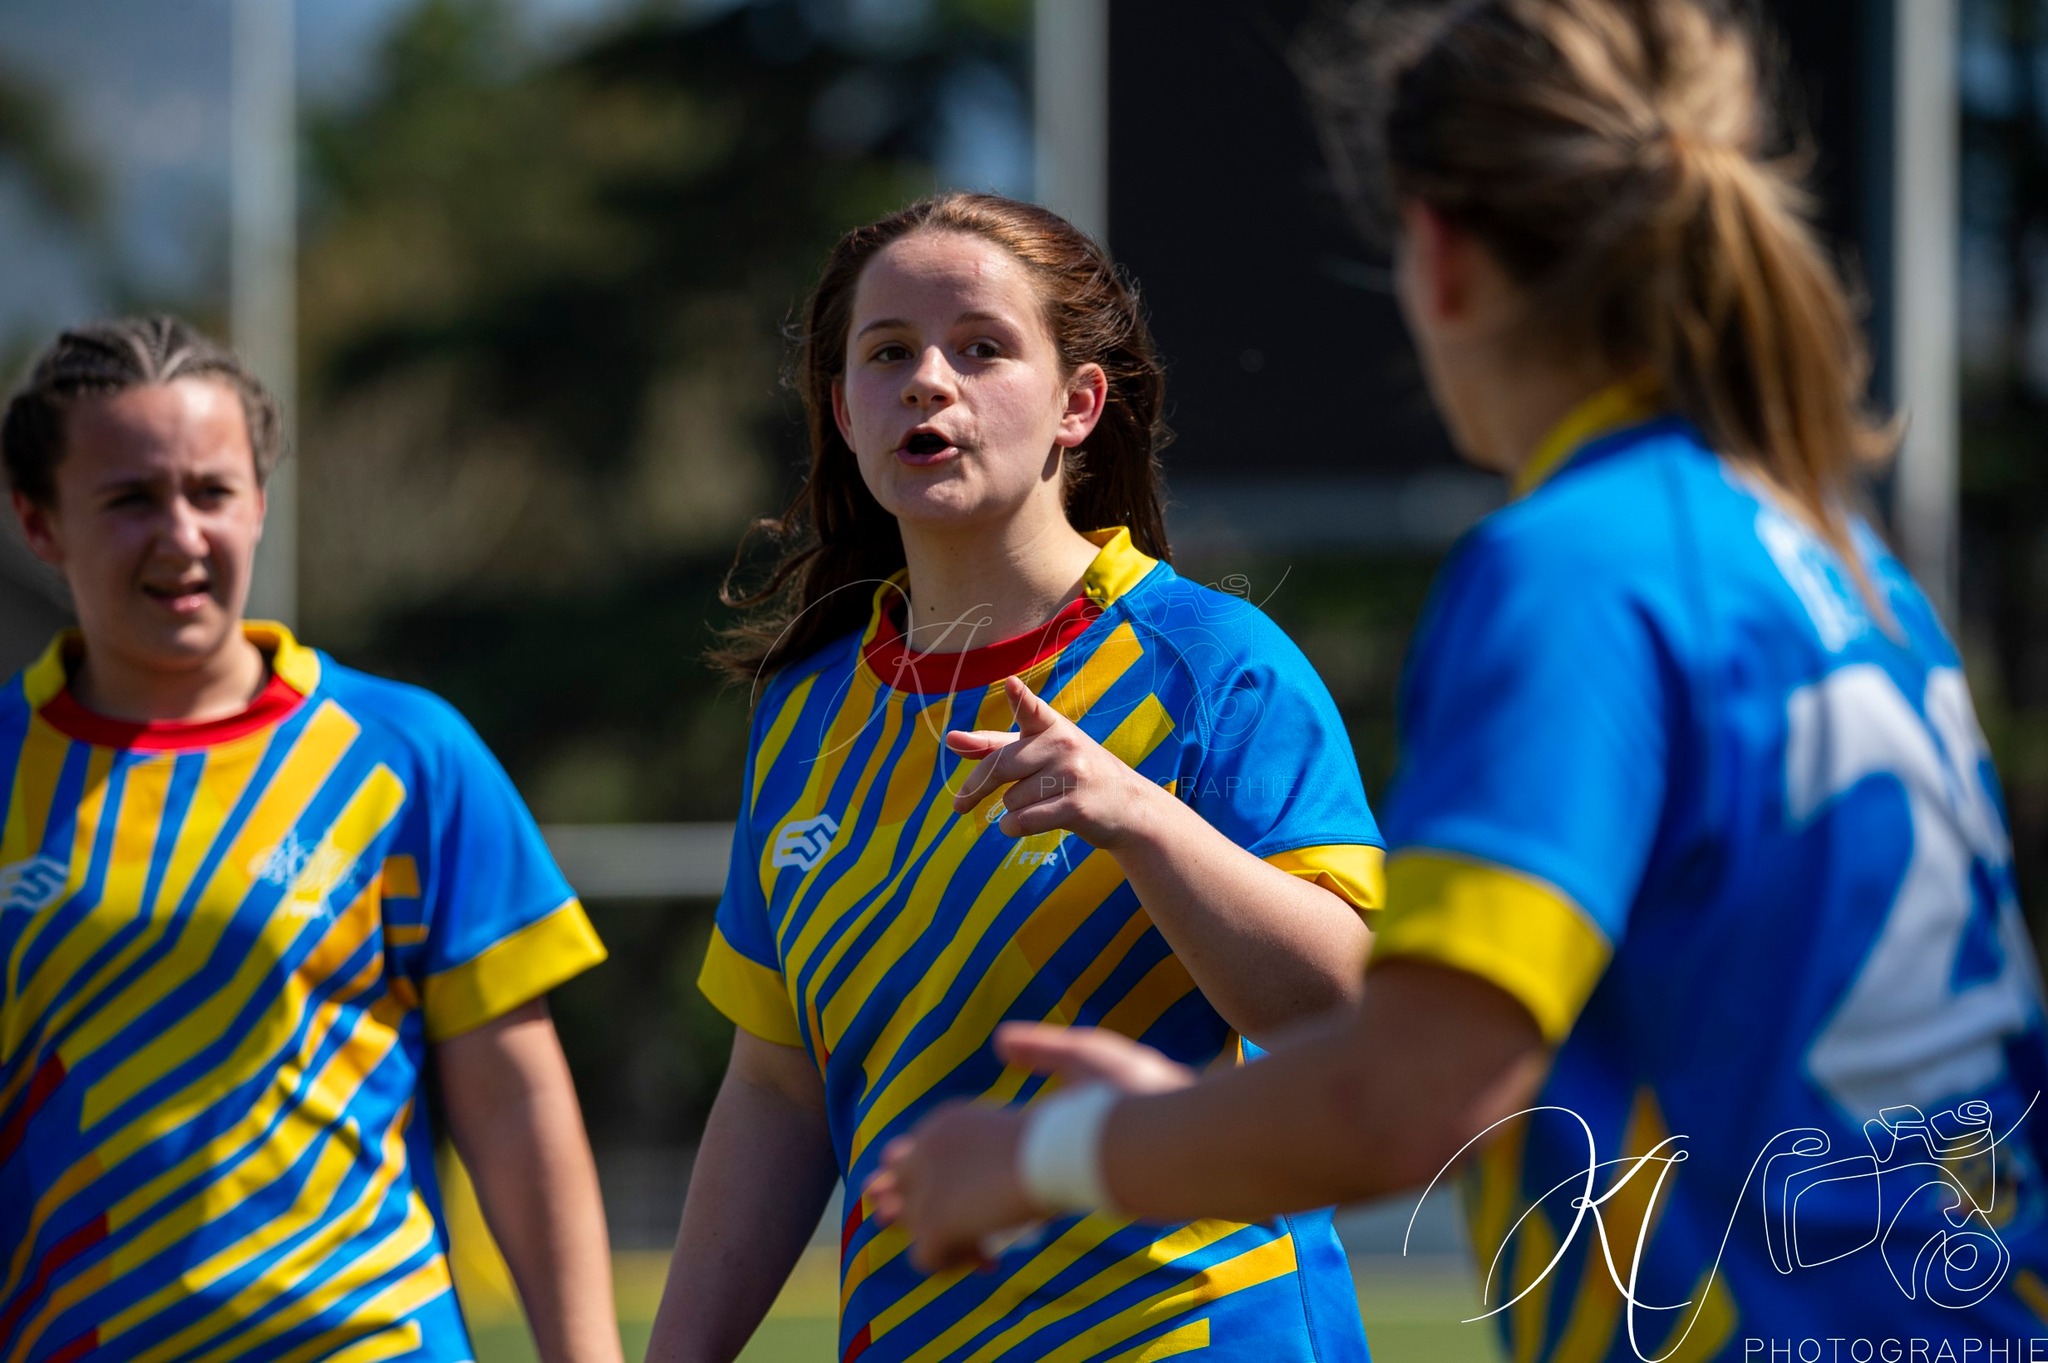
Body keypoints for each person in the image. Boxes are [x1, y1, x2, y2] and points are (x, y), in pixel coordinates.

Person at [867, 2, 2048, 1356]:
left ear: (1437, 255)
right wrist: (1202, 1128)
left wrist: (1046, 1154)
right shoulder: (1844, 568)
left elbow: (1405, 1098)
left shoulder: (1577, 570)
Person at [647, 192, 1386, 1363]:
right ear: (844, 411)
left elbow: (1352, 1012)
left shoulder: (1211, 666)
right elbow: (780, 1091)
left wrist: (1141, 820)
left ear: (1076, 405)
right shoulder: (804, 714)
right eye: (888, 354)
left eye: (981, 347)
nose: (929, 381)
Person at [0, 316, 621, 1363]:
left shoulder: (407, 754)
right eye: (129, 499)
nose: (182, 534)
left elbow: (517, 1103)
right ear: (39, 523)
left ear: (260, 502)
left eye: (212, 492)